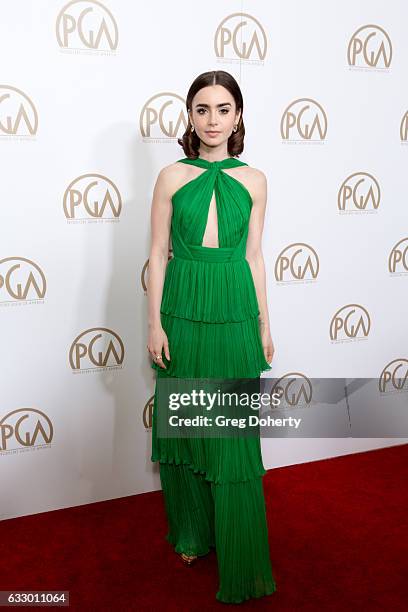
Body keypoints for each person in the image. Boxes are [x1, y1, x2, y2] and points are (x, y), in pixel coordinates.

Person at [146, 69, 276, 604]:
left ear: (238, 115)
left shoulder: (256, 180)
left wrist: (265, 324)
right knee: (186, 426)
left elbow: (253, 257)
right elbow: (157, 254)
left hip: (233, 308)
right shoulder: (172, 176)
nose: (213, 119)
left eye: (224, 109)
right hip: (183, 306)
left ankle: (238, 547)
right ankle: (195, 533)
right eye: (202, 109)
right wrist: (153, 322)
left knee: (231, 437)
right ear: (189, 116)